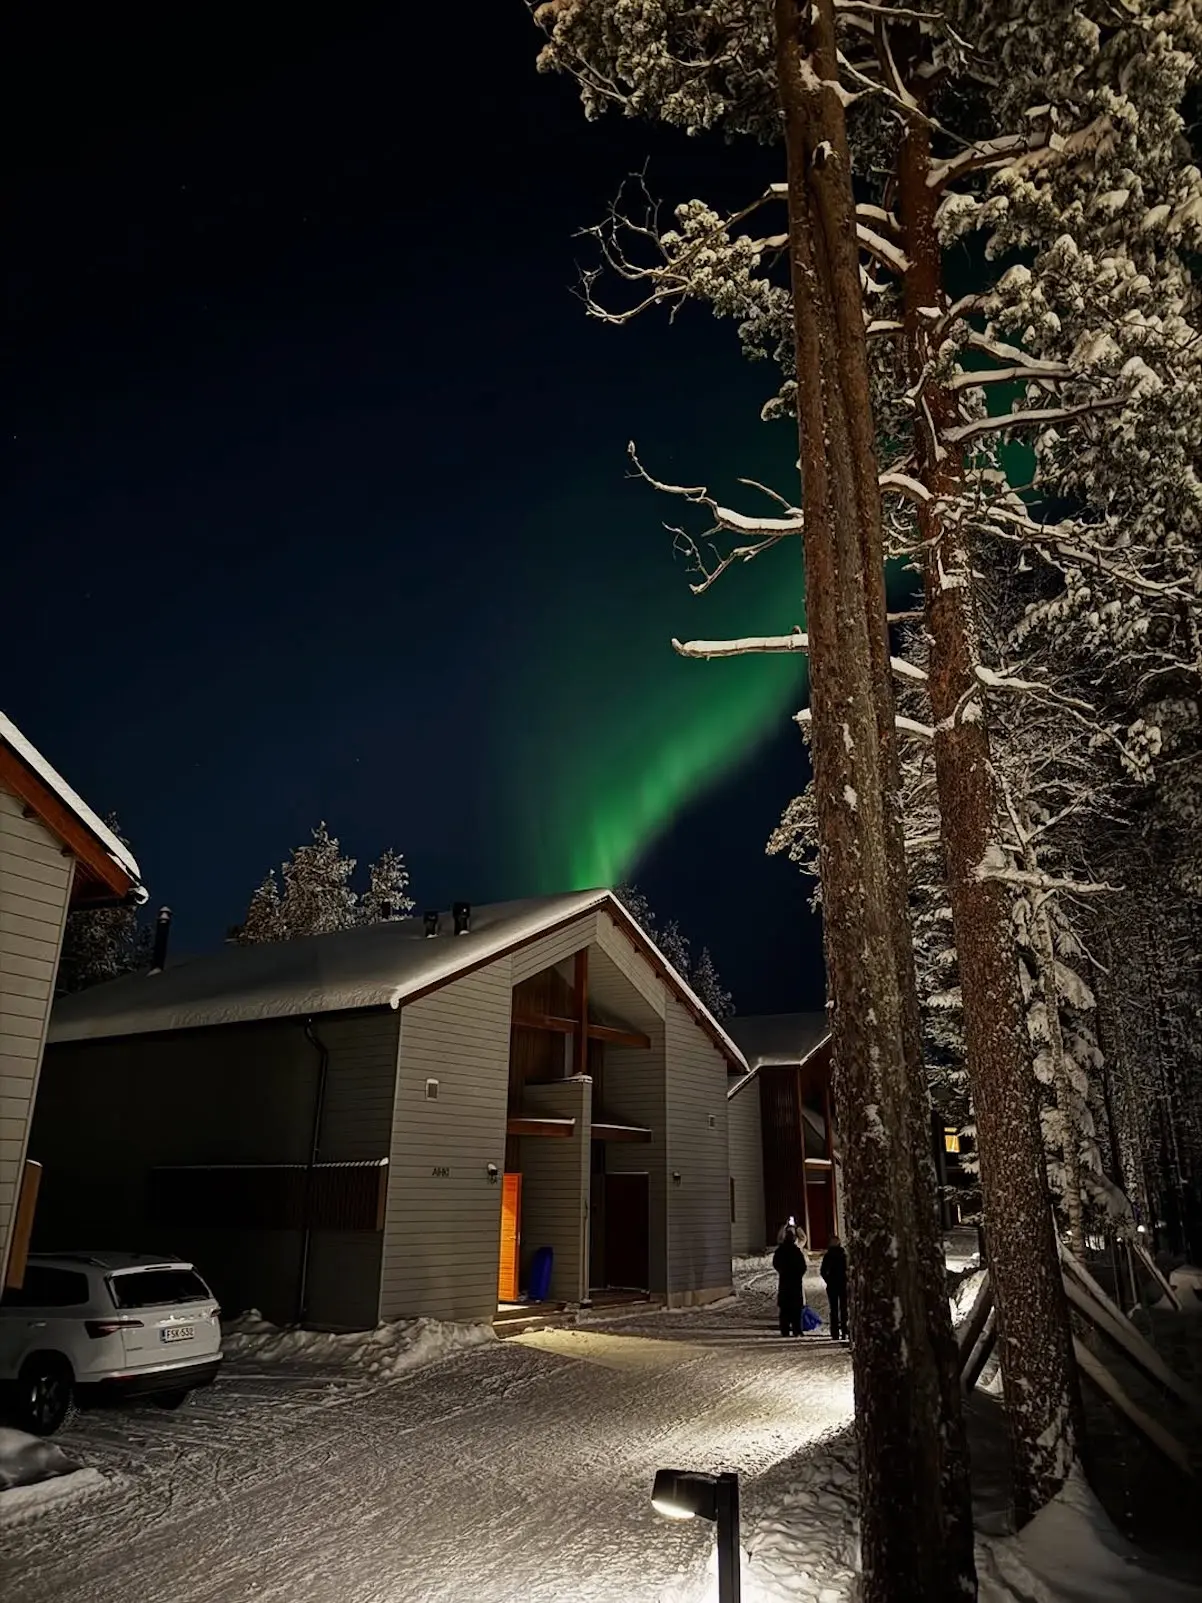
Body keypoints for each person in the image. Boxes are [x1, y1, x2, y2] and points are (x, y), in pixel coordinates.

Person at [772, 1226, 807, 1337]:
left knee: (785, 1309)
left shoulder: (780, 1250)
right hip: (795, 1282)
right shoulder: (797, 1251)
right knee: (796, 1309)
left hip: (785, 1282)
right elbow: (803, 1266)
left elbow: (776, 1263)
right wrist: (798, 1274)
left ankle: (785, 1330)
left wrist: (782, 1272)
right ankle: (797, 1330)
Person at [821, 1233, 848, 1342]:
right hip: (843, 1285)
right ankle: (845, 1331)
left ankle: (835, 1333)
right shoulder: (843, 1255)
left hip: (832, 1286)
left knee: (834, 1309)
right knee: (844, 1308)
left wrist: (828, 1280)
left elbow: (823, 1271)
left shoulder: (828, 1256)